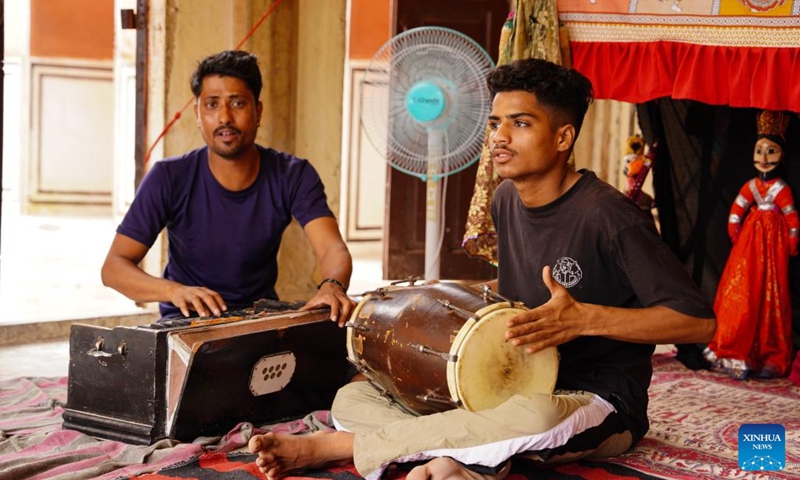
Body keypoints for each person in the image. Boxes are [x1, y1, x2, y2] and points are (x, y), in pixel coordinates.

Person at [247, 58, 716, 480]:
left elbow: (698, 322)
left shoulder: (610, 217)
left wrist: (586, 319)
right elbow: (514, 285)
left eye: (520, 123)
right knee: (355, 399)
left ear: (563, 137)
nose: (498, 138)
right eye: (494, 123)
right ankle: (461, 459)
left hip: (592, 399)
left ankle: (338, 447)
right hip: (504, 391)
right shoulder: (506, 199)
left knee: (534, 420)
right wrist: (436, 295)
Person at [101, 50, 355, 325]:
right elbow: (114, 268)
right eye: (211, 104)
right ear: (198, 113)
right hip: (185, 323)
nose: (224, 117)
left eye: (237, 103)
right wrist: (174, 291)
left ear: (257, 111)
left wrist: (332, 285)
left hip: (256, 320)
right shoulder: (169, 176)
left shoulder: (292, 174)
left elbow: (332, 249)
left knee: (345, 363)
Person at [703, 110, 798, 380]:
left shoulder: (781, 188)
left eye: (771, 151)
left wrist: (792, 242)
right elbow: (736, 210)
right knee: (742, 294)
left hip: (773, 249)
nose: (764, 158)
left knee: (771, 295)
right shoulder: (751, 185)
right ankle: (734, 352)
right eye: (759, 151)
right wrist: (736, 233)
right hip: (748, 249)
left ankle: (769, 355)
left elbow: (792, 218)